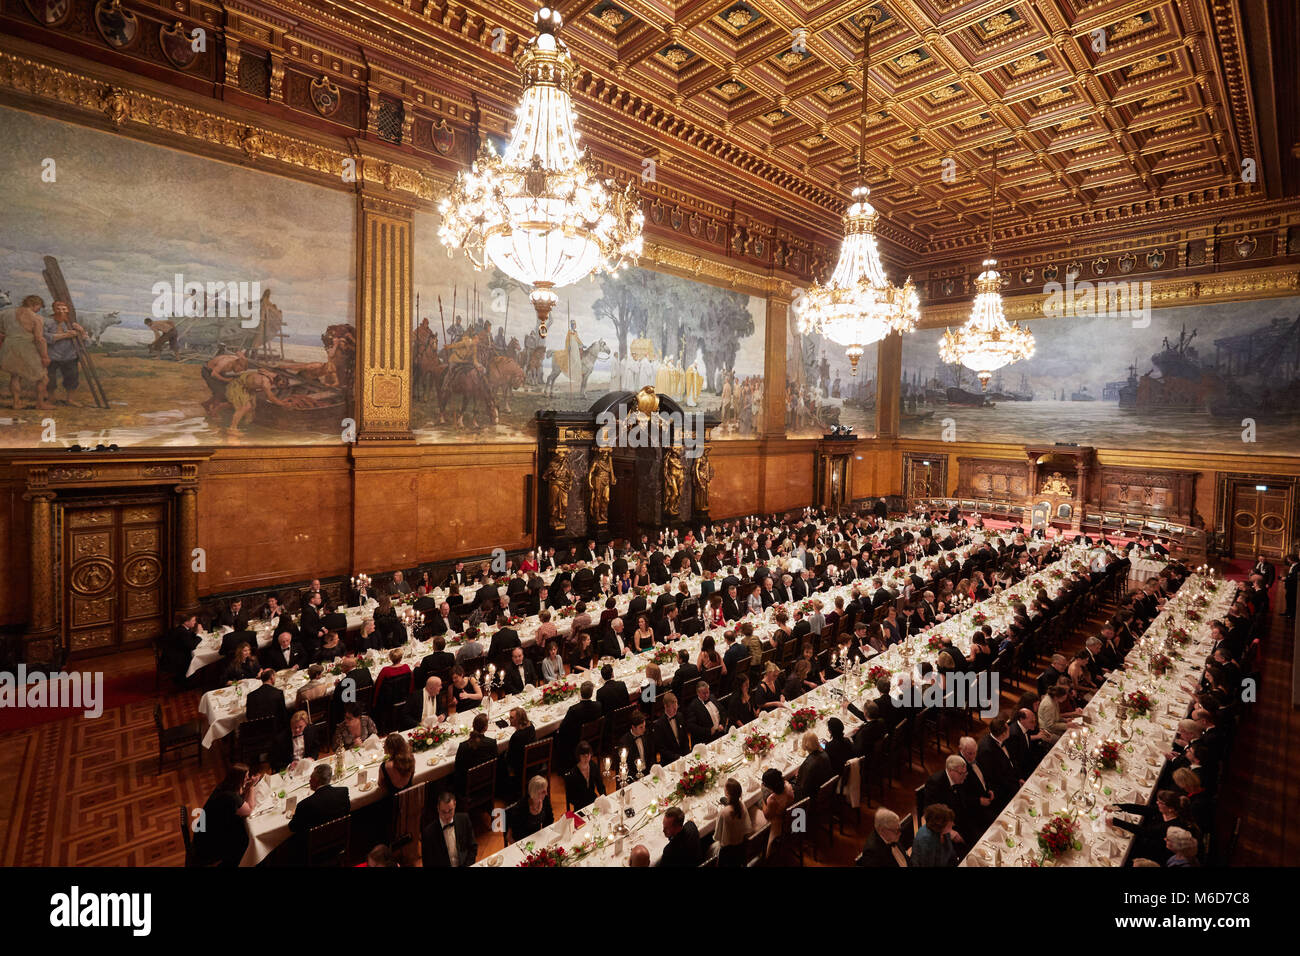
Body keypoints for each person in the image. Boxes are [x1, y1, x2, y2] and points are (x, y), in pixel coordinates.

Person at [191, 763, 259, 866]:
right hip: (209, 845)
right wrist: (252, 787)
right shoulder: (231, 797)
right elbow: (249, 809)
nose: (248, 779)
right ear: (238, 780)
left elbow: (239, 796)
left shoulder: (223, 787)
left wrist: (247, 785)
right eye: (246, 777)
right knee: (245, 838)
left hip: (202, 835)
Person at [288, 764, 351, 849]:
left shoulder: (304, 805)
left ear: (316, 780)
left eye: (311, 778)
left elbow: (293, 827)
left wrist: (295, 813)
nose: (309, 781)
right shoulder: (343, 792)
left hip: (314, 847)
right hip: (339, 842)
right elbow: (347, 810)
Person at [421, 791, 477, 867]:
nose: (447, 816)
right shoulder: (428, 833)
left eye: (450, 811)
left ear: (455, 805)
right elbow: (428, 864)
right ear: (438, 808)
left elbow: (473, 847)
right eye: (443, 812)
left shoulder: (464, 819)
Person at [453, 712, 497, 799]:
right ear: (486, 728)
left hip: (466, 785)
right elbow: (495, 762)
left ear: (473, 726)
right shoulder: (491, 743)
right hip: (486, 782)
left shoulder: (464, 746)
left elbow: (457, 768)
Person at [715, 778, 753, 866]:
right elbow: (747, 827)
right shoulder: (742, 805)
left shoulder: (724, 813)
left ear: (727, 793)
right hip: (741, 847)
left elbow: (717, 836)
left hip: (727, 852)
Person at [909, 803, 958, 867]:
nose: (953, 824)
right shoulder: (927, 841)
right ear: (940, 825)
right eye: (950, 824)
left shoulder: (943, 832)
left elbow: (951, 854)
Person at [508, 775, 554, 842]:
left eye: (546, 790)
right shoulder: (521, 807)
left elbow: (549, 819)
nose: (546, 794)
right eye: (543, 792)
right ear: (535, 793)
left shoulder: (545, 799)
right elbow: (517, 834)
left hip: (537, 836)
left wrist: (544, 836)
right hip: (524, 840)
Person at [563, 740, 605, 811]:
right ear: (578, 756)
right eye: (583, 755)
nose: (586, 758)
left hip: (594, 804)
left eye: (588, 755)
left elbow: (600, 785)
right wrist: (586, 808)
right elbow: (571, 798)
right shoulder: (573, 774)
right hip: (580, 808)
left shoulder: (593, 766)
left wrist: (604, 798)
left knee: (600, 818)